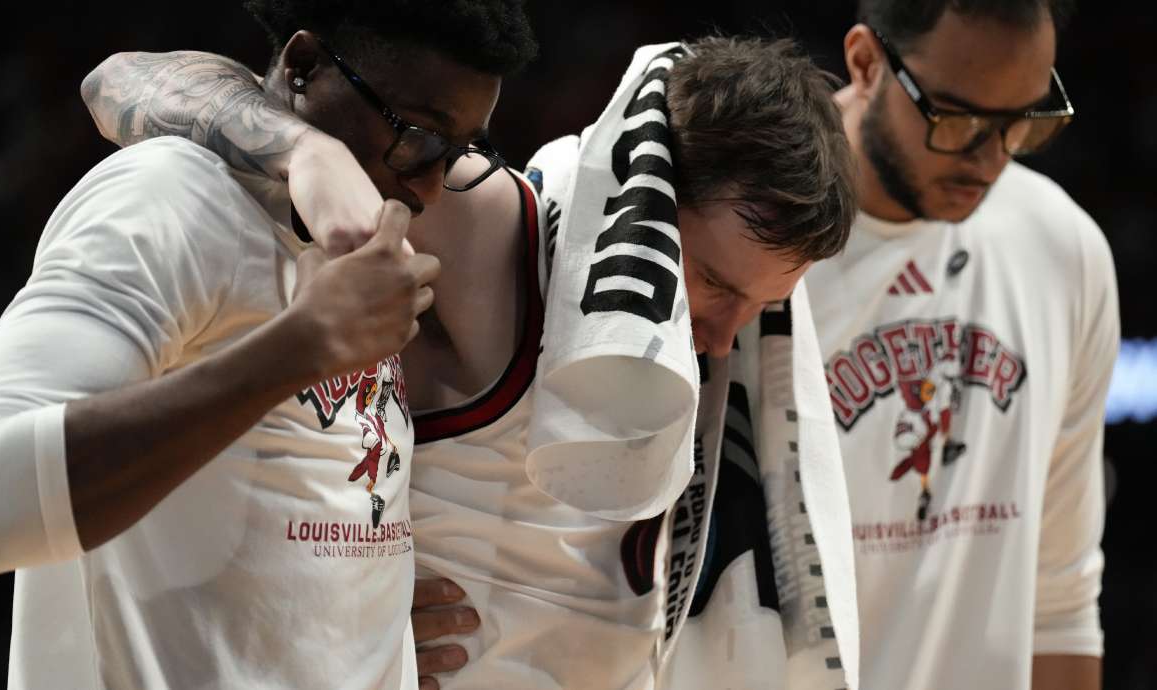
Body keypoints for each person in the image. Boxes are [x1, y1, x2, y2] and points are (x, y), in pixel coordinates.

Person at [80, 27, 860, 690]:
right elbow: (120, 80)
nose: (724, 338)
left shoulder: (747, 338)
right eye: (712, 284)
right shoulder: (493, 231)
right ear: (640, 204)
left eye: (759, 305)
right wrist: (306, 151)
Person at [0, 2, 535, 688]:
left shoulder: (366, 227)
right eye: (416, 134)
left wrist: (364, 627)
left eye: (457, 152)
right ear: (303, 67)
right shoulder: (168, 195)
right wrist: (298, 350)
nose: (430, 184)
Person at [803, 1, 1117, 688]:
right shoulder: (747, 250)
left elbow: (1060, 600)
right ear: (866, 63)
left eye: (1022, 121)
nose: (991, 158)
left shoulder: (1062, 247)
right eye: (958, 118)